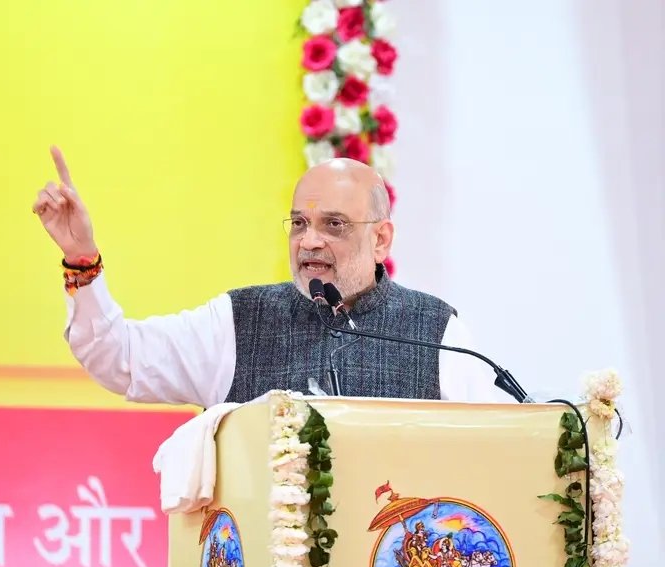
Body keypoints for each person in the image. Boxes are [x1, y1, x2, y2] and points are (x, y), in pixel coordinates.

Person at [32, 146, 502, 408]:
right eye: (299, 223)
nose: (309, 241)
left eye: (333, 225)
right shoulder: (241, 320)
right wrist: (81, 258)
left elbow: (497, 446)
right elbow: (120, 357)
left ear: (380, 240)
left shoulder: (436, 331)